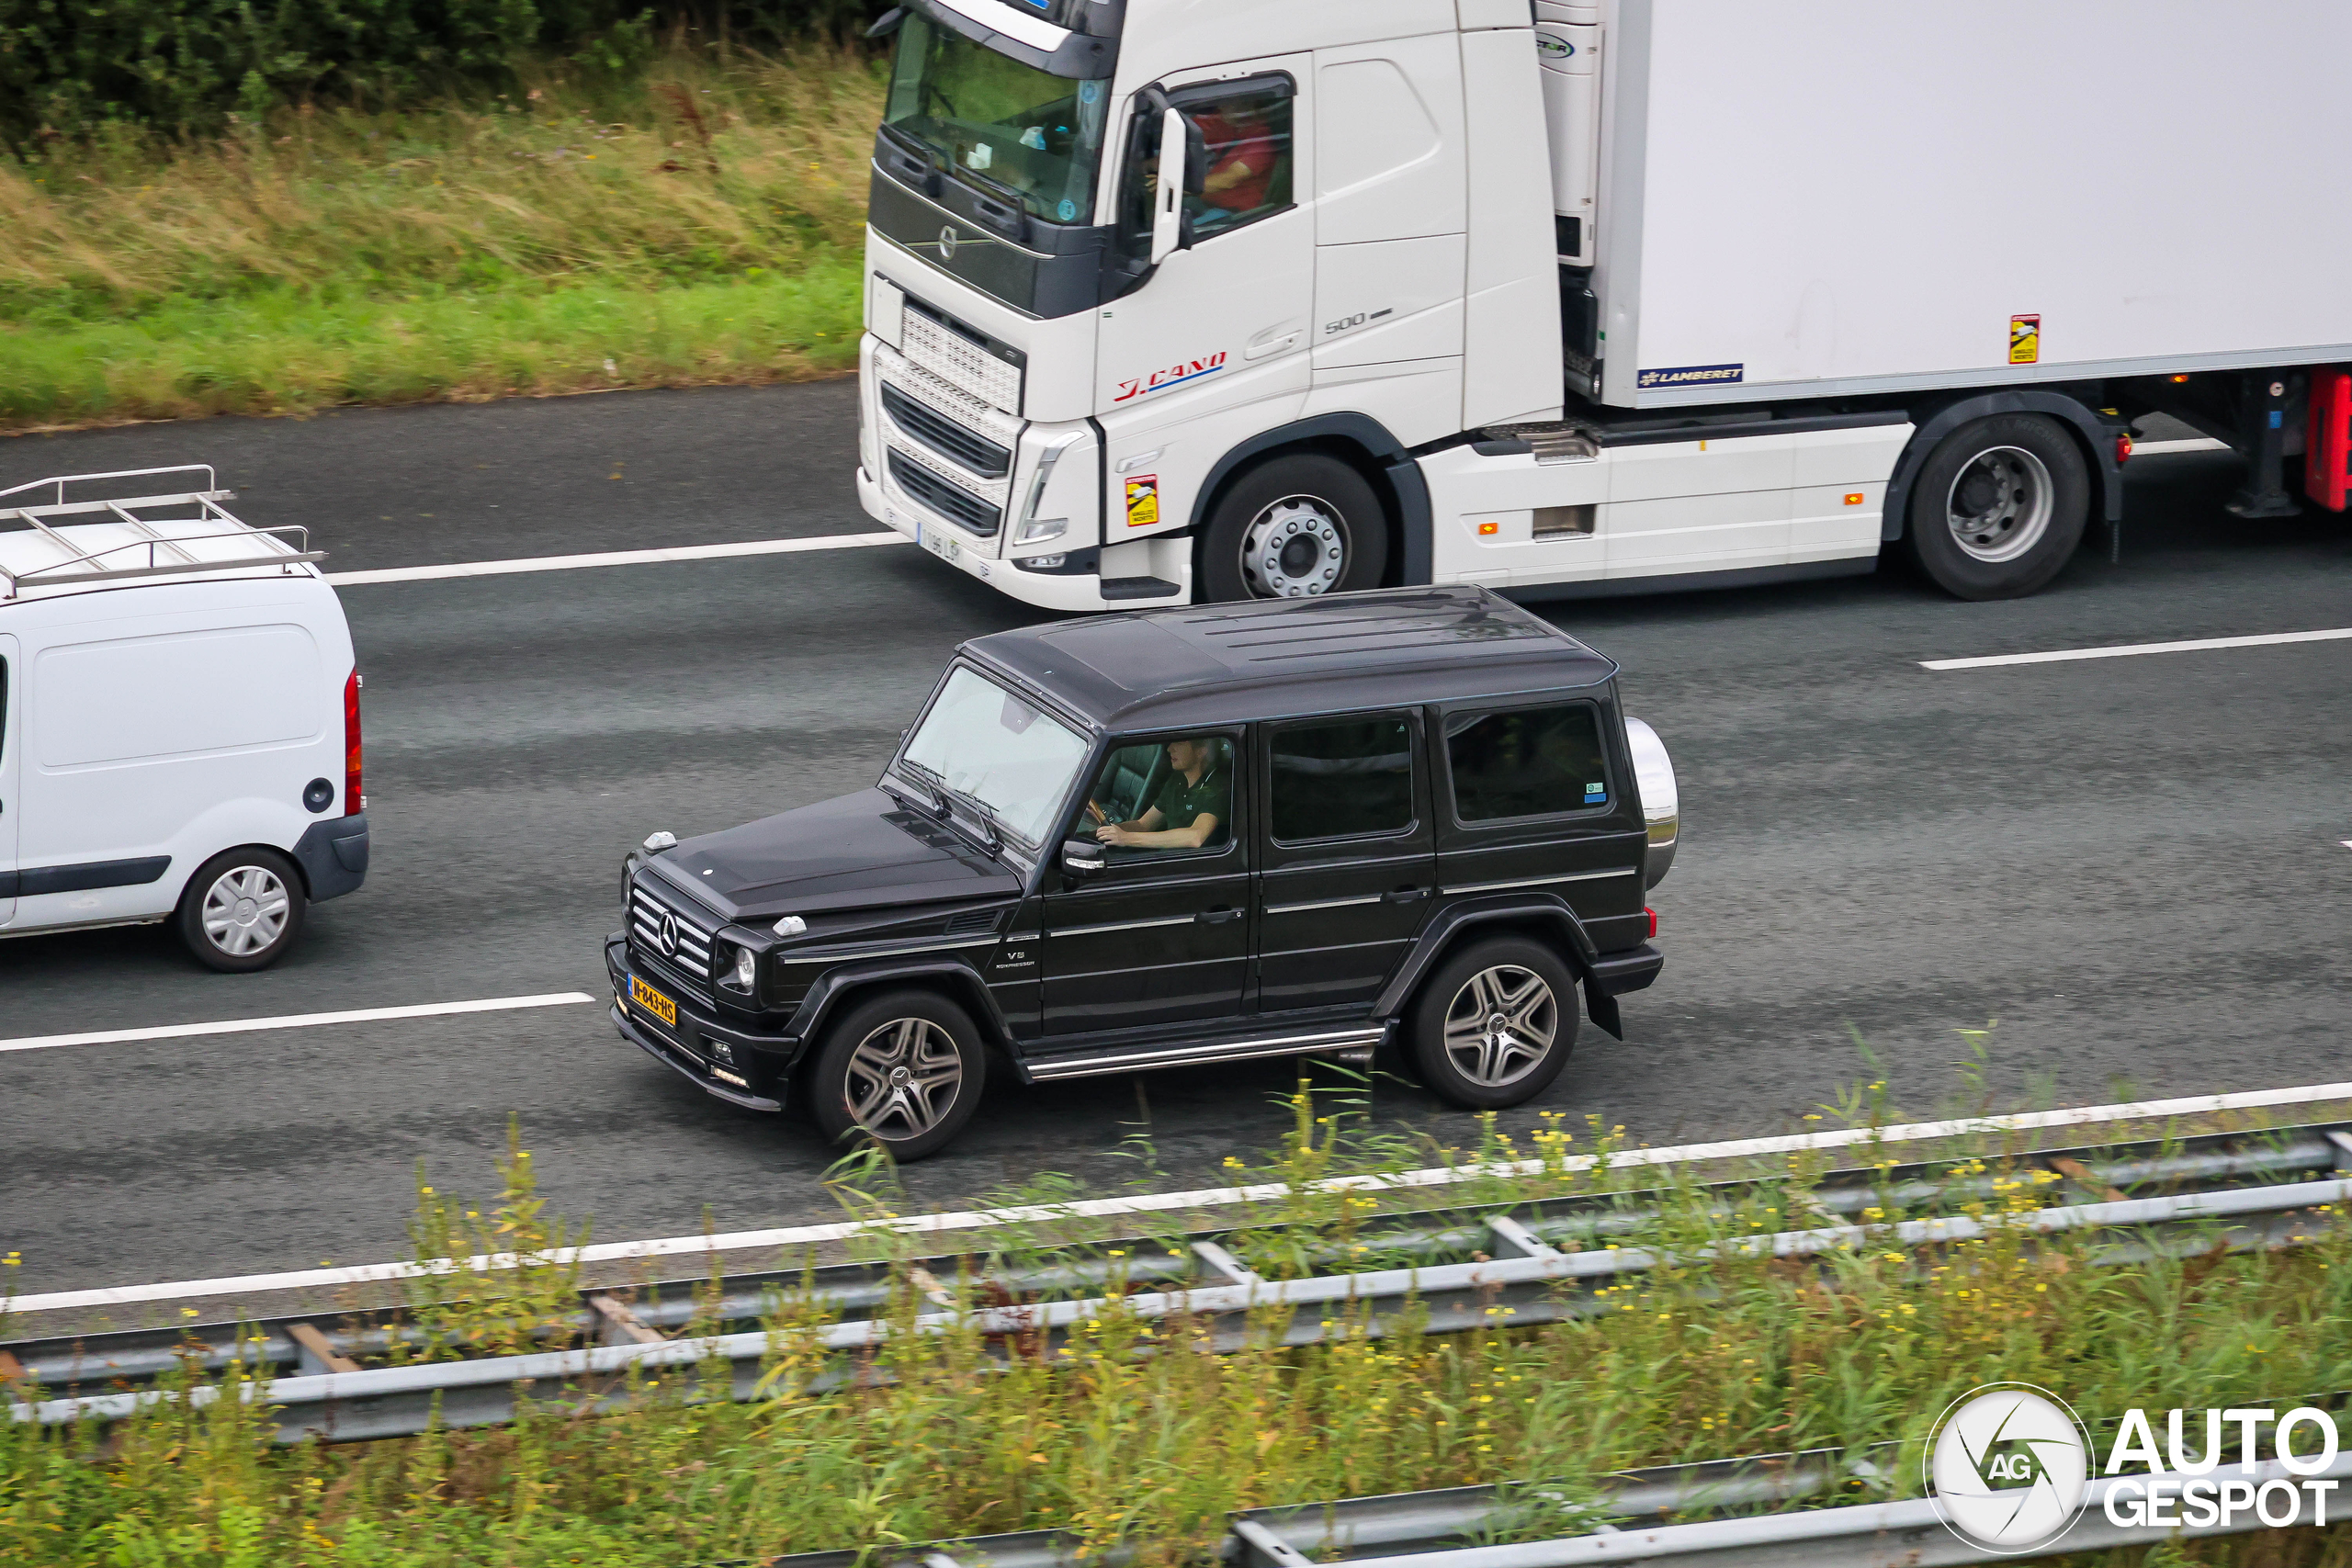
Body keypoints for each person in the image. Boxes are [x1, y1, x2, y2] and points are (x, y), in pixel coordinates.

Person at [1093, 738, 1228, 852]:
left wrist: (1126, 838)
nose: (1169, 749)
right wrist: (1103, 832)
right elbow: (1144, 825)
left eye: (1179, 743)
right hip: (1167, 857)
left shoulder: (1217, 788)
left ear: (1201, 751)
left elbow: (1196, 837)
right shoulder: (1177, 779)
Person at [1193, 96, 1280, 213]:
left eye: (1227, 103)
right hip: (1208, 203)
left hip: (1235, 216)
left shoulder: (1261, 142)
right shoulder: (1232, 128)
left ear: (1248, 106)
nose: (1220, 107)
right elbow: (1191, 136)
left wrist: (1179, 187)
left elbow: (1228, 180)